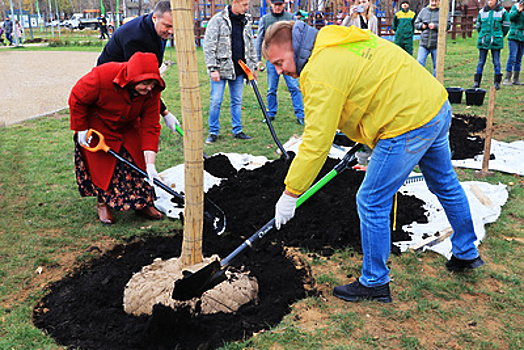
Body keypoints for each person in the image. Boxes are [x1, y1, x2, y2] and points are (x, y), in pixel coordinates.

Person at [263, 21, 484, 303]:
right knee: (445, 183)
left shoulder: (320, 70)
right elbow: (368, 86)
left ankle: (374, 282)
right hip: (434, 105)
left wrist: (290, 192)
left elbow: (316, 141)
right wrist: (368, 141)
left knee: (371, 200)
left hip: (407, 122)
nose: (280, 72)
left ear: (294, 47)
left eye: (280, 62)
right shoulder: (335, 38)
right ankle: (466, 251)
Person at [69, 52, 165, 225]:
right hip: (97, 126)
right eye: (145, 84)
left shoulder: (152, 92)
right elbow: (77, 97)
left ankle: (142, 203)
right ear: (132, 79)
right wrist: (81, 129)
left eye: (152, 84)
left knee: (136, 162)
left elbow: (150, 126)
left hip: (127, 125)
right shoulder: (102, 76)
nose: (149, 88)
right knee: (105, 168)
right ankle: (103, 203)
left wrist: (150, 164)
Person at [97, 1, 180, 135]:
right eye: (167, 26)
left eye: (174, 26)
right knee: (123, 128)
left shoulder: (157, 29)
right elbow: (141, 80)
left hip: (129, 81)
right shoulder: (136, 38)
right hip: (111, 84)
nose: (171, 31)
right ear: (155, 18)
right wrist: (165, 112)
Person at [203, 0, 257, 144]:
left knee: (237, 101)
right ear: (235, 3)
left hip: (239, 69)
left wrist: (253, 67)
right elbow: (209, 45)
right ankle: (213, 132)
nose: (247, 7)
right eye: (244, 4)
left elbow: (250, 45)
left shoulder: (246, 21)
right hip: (220, 69)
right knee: (216, 101)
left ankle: (237, 130)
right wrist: (212, 68)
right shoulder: (218, 20)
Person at [256, 0, 305, 125]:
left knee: (294, 87)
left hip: (289, 60)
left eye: (280, 5)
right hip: (272, 61)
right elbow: (259, 39)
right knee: (272, 88)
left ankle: (300, 114)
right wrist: (258, 59)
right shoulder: (265, 19)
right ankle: (271, 113)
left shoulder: (291, 18)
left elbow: (299, 36)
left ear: (284, 5)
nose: (278, 7)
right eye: (275, 5)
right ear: (271, 5)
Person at [472, 0, 509, 90]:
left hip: (495, 40)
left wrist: (499, 35)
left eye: (492, 0)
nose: (490, 2)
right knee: (481, 62)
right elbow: (478, 26)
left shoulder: (503, 12)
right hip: (483, 40)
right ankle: (477, 82)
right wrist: (483, 35)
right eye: (488, 0)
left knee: (496, 61)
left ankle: (497, 83)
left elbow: (506, 26)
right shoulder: (482, 12)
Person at [415, 0, 450, 76]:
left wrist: (435, 26)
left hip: (437, 44)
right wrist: (422, 26)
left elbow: (447, 25)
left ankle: (435, 83)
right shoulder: (423, 11)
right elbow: (416, 23)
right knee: (419, 64)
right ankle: (418, 81)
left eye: (436, 1)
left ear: (439, 2)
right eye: (432, 1)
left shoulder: (443, 12)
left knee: (437, 67)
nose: (434, 3)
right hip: (424, 43)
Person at [503, 0, 524, 86]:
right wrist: (518, 12)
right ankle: (507, 78)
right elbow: (510, 17)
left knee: (519, 58)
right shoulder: (515, 6)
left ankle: (516, 79)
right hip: (514, 36)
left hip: (523, 37)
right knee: (512, 57)